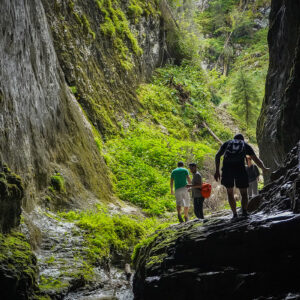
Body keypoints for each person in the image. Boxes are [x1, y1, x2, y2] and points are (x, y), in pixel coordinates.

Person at [214, 134, 269, 219]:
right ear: (242, 140)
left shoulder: (227, 143)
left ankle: (235, 214)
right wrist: (263, 168)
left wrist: (217, 170)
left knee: (230, 193)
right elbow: (256, 159)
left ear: (234, 139)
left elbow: (217, 155)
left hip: (227, 169)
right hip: (240, 168)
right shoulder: (245, 145)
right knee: (244, 193)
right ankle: (244, 212)